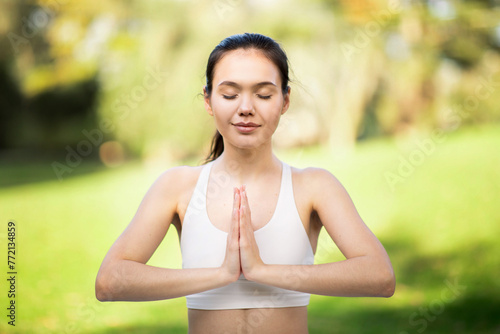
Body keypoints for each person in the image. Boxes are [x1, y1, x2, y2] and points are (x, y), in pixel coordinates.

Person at [95, 32, 395, 334]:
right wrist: (221, 274)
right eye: (229, 95)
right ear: (209, 100)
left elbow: (379, 276)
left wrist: (262, 271)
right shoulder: (177, 187)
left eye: (264, 94)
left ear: (285, 100)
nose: (246, 108)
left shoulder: (314, 187)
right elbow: (110, 281)